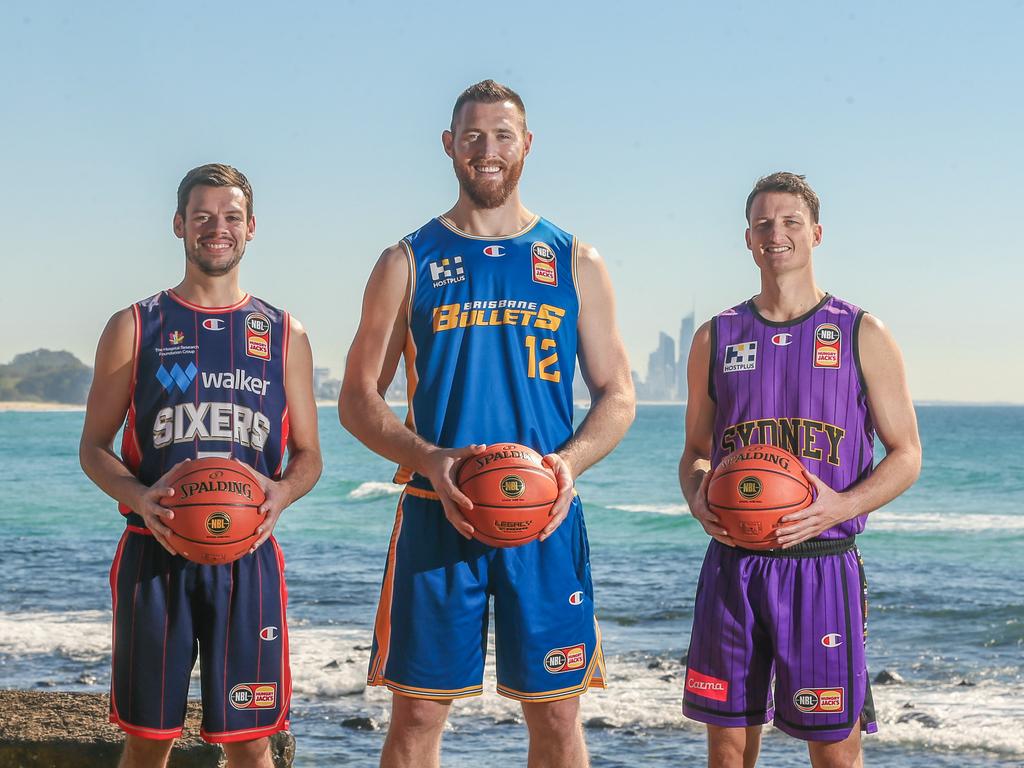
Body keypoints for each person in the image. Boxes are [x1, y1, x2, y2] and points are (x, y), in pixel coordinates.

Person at [339, 80, 635, 768]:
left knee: (558, 717)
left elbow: (617, 393)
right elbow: (358, 398)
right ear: (450, 147)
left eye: (503, 136)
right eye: (473, 136)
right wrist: (428, 458)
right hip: (435, 509)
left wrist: (570, 464)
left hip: (546, 514)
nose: (488, 150)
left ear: (526, 146)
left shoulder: (573, 261)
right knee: (415, 715)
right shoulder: (405, 261)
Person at [80, 163, 322, 768]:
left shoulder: (284, 332)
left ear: (251, 228)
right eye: (204, 216)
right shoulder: (135, 325)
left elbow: (310, 457)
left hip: (249, 555)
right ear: (179, 225)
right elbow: (94, 447)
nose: (218, 228)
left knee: (250, 742)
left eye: (231, 217)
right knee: (147, 739)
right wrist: (139, 498)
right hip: (152, 550)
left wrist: (280, 494)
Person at [678, 172, 922, 767]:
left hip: (821, 568)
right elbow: (695, 454)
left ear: (816, 233)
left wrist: (840, 506)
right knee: (728, 749)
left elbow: (907, 454)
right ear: (747, 239)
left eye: (790, 223)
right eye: (764, 224)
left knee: (834, 751)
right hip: (734, 564)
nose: (776, 234)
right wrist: (699, 499)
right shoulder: (717, 335)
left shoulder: (861, 331)